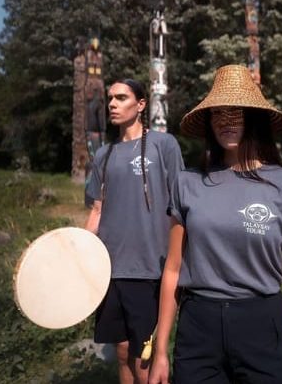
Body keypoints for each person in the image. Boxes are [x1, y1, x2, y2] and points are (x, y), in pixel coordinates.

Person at [149, 65, 282, 384]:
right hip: (198, 327)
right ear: (208, 121)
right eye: (218, 113)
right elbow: (173, 269)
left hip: (262, 326)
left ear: (254, 118)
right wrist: (161, 349)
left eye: (236, 112)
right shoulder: (187, 183)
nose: (226, 121)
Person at [85, 78, 184, 384]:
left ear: (140, 104)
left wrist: (178, 262)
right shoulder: (103, 155)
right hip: (109, 268)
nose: (112, 104)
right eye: (110, 98)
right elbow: (97, 210)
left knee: (147, 356)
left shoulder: (164, 145)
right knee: (123, 349)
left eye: (121, 97)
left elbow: (180, 205)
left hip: (151, 268)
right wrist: (81, 258)